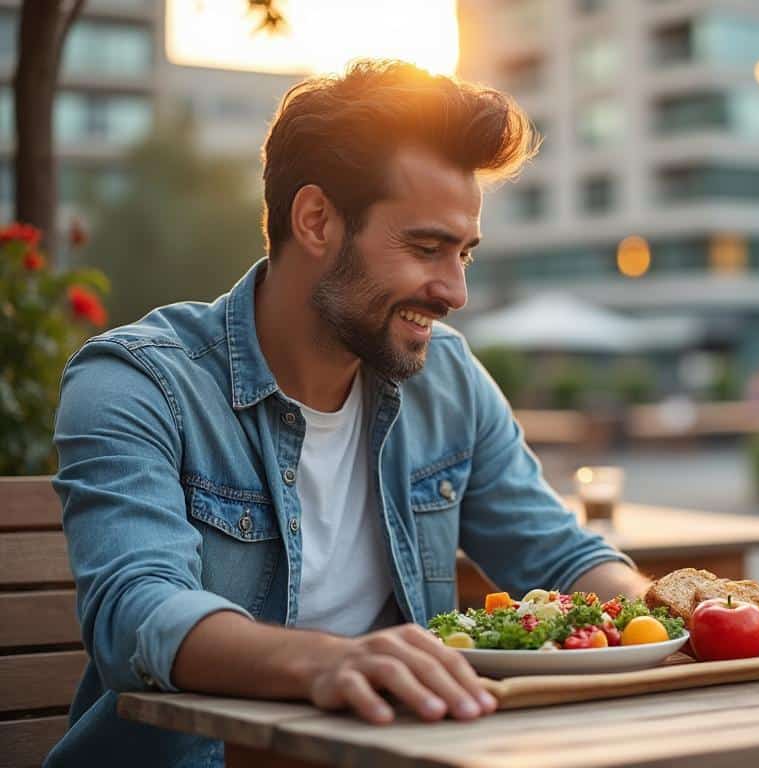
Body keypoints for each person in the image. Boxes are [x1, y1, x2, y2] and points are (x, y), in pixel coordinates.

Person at [46, 60, 649, 767]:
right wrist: (326, 663)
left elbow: (560, 556)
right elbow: (137, 612)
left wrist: (679, 608)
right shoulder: (140, 383)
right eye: (426, 248)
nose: (454, 290)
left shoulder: (447, 377)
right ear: (316, 221)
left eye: (464, 254)